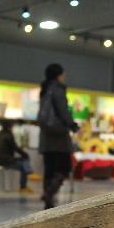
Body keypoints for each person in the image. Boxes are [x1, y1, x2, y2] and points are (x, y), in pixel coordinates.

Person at [38, 63, 78, 209]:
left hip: (46, 136)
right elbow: (63, 110)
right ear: (58, 75)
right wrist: (72, 124)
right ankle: (49, 193)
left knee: (49, 168)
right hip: (59, 135)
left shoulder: (44, 89)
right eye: (63, 74)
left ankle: (48, 198)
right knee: (64, 167)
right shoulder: (58, 90)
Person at [0, 120, 32, 192]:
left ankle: (29, 172)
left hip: (0, 160)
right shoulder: (8, 135)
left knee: (24, 162)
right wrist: (25, 154)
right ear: (9, 127)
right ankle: (23, 186)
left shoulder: (1, 134)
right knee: (24, 165)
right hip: (7, 161)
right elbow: (15, 148)